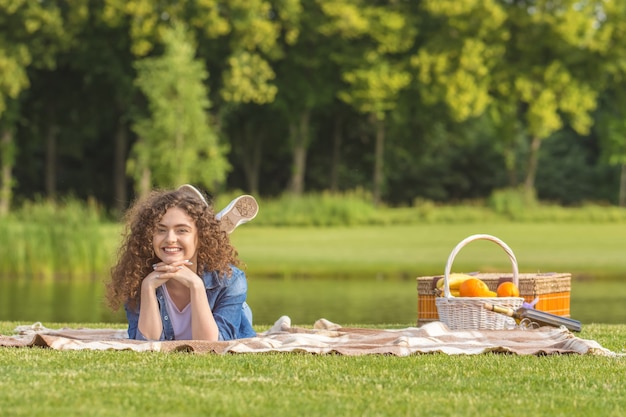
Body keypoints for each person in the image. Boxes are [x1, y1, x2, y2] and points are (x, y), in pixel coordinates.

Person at [105, 185, 258, 341]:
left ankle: (209, 225)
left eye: (182, 230)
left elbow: (211, 345)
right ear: (149, 236)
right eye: (161, 230)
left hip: (238, 318)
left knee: (242, 312)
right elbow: (147, 343)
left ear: (201, 238)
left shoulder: (230, 280)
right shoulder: (135, 276)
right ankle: (211, 222)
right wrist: (148, 287)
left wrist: (196, 285)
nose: (170, 239)